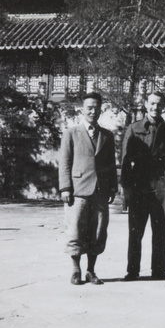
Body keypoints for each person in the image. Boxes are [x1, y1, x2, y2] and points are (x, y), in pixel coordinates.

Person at [121, 91, 165, 281]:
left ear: (164, 106)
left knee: (160, 227)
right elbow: (124, 160)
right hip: (139, 181)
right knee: (135, 229)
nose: (156, 108)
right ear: (146, 104)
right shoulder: (134, 128)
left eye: (160, 104)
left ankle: (158, 271)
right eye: (153, 104)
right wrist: (127, 186)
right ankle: (132, 270)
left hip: (160, 183)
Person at [59, 92, 118, 285]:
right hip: (78, 191)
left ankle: (91, 271)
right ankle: (76, 270)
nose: (93, 111)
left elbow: (110, 164)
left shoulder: (107, 136)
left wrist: (112, 188)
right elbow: (65, 162)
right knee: (75, 230)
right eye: (89, 107)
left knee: (98, 231)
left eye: (96, 107)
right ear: (82, 110)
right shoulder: (71, 133)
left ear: (101, 110)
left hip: (100, 191)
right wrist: (65, 187)